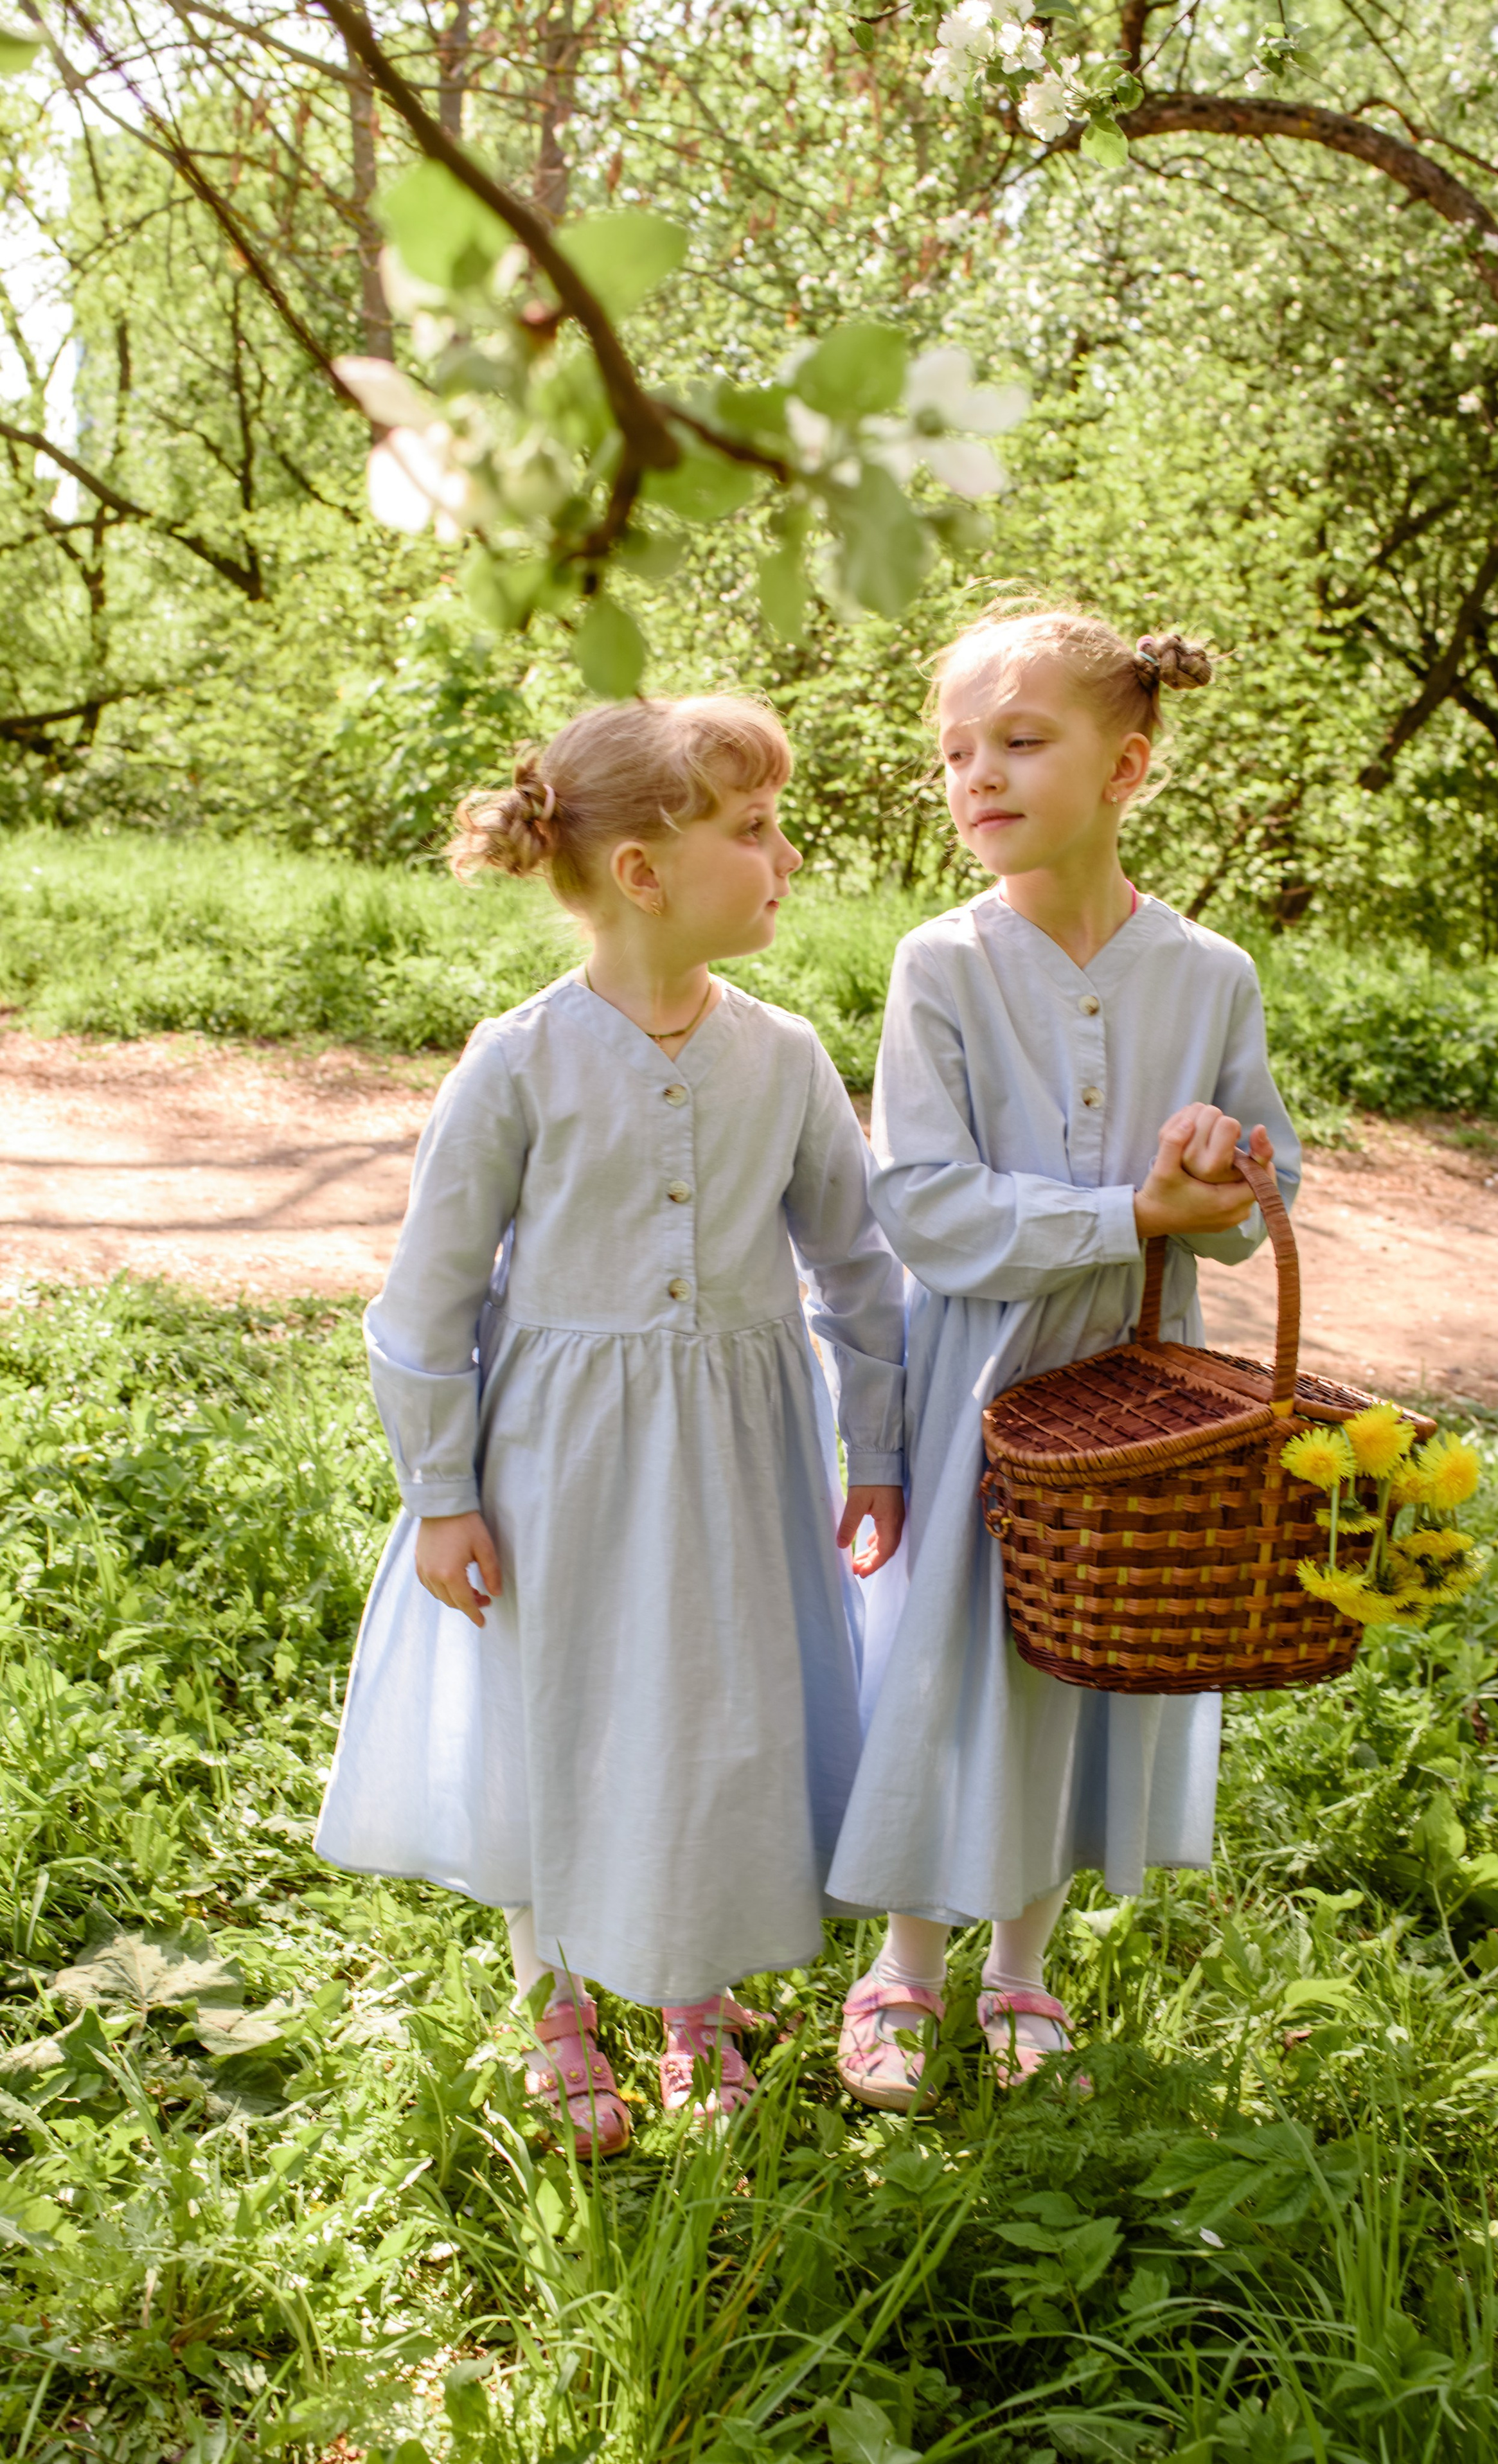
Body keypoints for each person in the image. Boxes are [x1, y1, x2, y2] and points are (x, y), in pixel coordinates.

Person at [314, 695, 905, 2156]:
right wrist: (442, 1489)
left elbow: (856, 1271)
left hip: (737, 1455)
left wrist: (879, 1444)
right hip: (559, 1460)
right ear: (643, 870)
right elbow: (424, 1300)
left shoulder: (779, 1055)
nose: (783, 860)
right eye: (754, 832)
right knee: (562, 1709)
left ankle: (694, 1996)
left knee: (720, 1712)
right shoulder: (519, 1061)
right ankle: (558, 1997)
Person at [827, 597, 1301, 2111]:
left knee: (1087, 1655)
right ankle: (902, 1965)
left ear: (1128, 767)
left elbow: (1250, 1192)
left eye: (1021, 741)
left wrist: (1224, 1167)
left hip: (1143, 1387)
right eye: (955, 750)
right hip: (984, 1371)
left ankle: (1020, 1965)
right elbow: (922, 1201)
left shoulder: (1207, 971)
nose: (979, 773)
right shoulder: (942, 964)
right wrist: (1122, 1210)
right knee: (954, 1656)